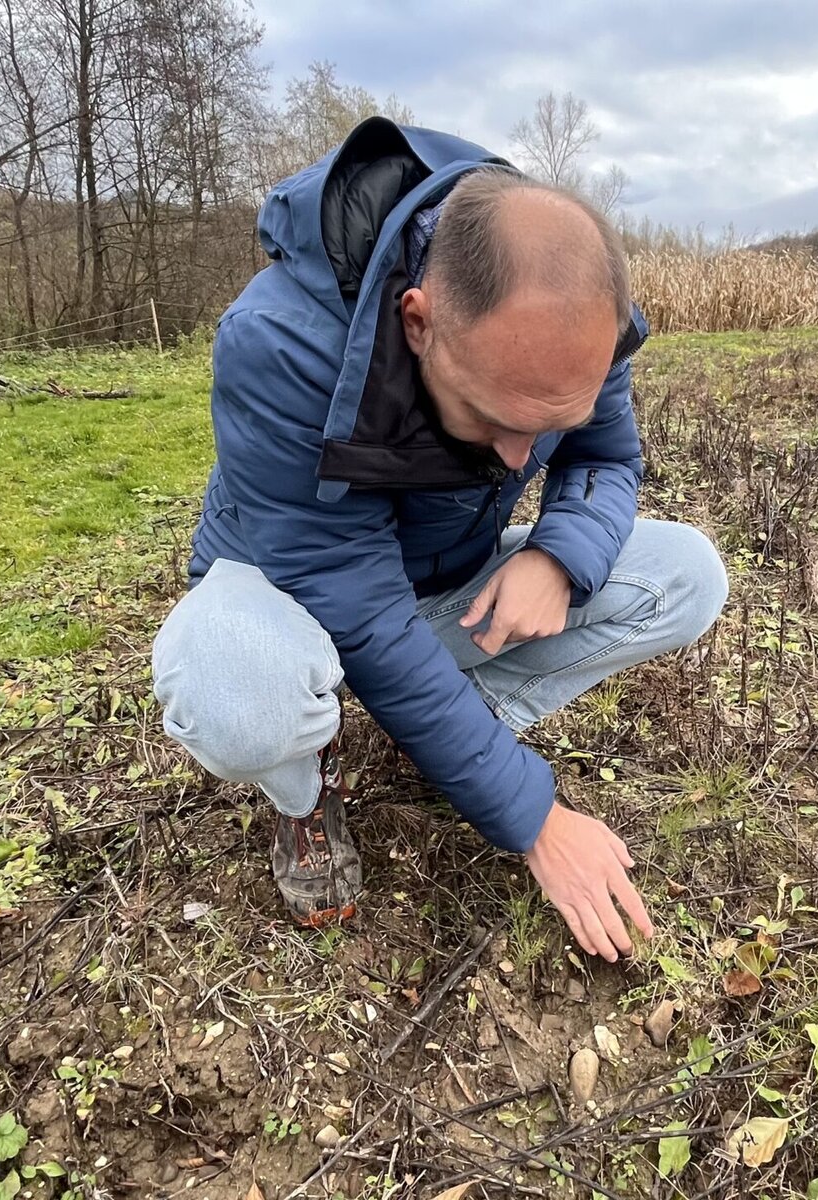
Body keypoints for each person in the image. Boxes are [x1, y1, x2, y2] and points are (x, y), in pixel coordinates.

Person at [150, 118, 728, 961]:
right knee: (234, 687)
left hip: (441, 582)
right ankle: (304, 789)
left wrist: (555, 555)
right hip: (297, 600)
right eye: (497, 418)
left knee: (687, 575)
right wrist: (531, 816)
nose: (521, 459)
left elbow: (604, 454)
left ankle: (452, 733)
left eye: (548, 423)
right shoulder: (281, 346)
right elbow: (356, 604)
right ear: (417, 321)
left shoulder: (577, 322)